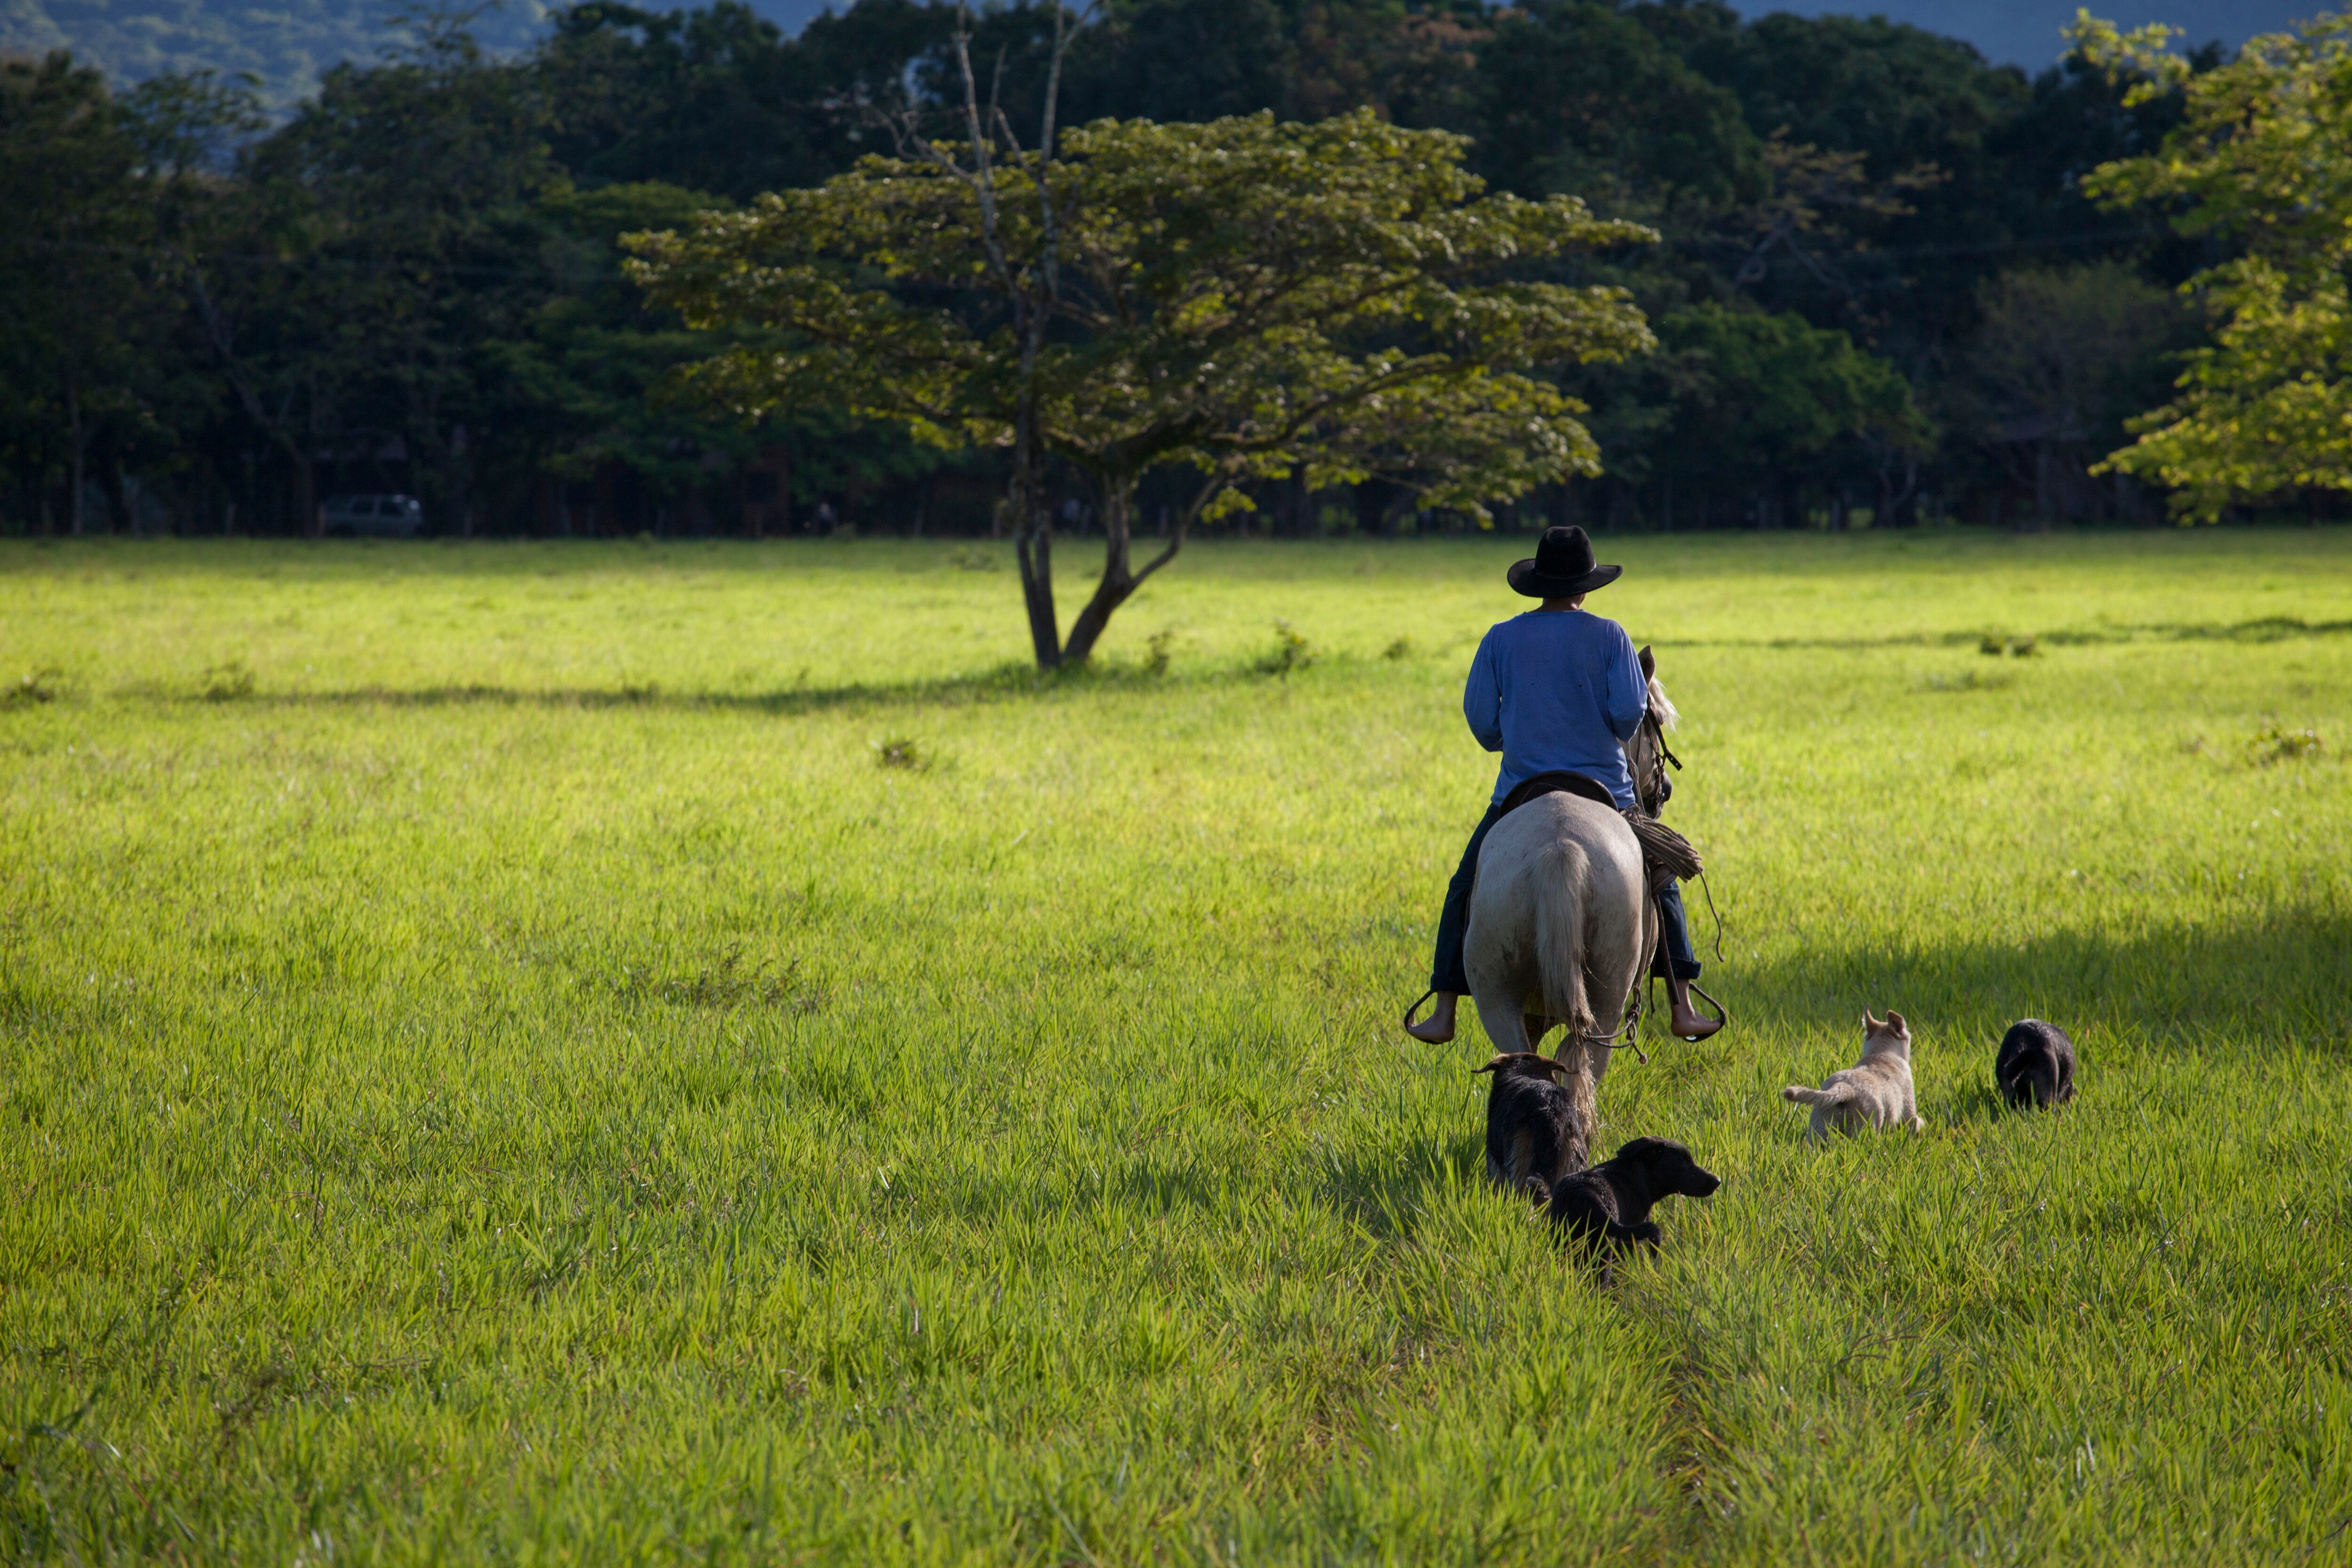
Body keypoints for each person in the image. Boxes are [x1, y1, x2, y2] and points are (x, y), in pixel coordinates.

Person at [1403, 525, 1721, 1045]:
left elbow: (1482, 723)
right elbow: (1628, 715)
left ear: (1538, 583)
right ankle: (1683, 1003)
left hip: (1520, 792)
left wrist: (1518, 733)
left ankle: (1443, 1008)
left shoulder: (1499, 638)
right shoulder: (1610, 636)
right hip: (1608, 794)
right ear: (1586, 587)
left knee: (1463, 884)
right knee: (1660, 876)